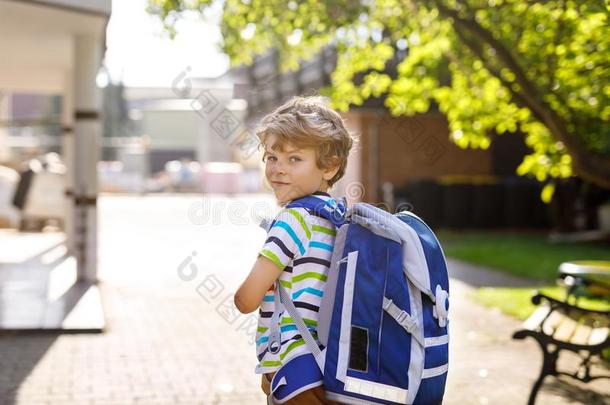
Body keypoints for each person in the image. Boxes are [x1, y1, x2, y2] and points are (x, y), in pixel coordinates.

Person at [234, 95, 354, 404]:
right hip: (327, 360)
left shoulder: (292, 220)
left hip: (293, 361)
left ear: (330, 167)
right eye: (272, 158)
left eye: (294, 159)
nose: (278, 169)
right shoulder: (337, 217)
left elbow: (246, 300)